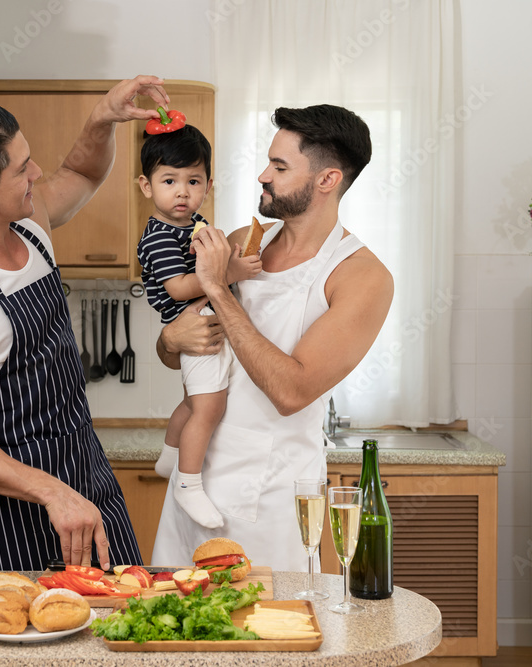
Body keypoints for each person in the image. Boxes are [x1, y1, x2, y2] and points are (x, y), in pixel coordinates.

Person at [0, 76, 171, 572]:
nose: (38, 173)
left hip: (89, 483)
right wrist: (51, 492)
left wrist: (102, 117)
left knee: (123, 625)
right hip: (15, 514)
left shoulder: (29, 222)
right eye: (23, 168)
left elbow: (83, 172)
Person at [151, 104, 394, 572]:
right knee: (171, 626)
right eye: (268, 162)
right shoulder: (246, 240)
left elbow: (291, 391)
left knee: (262, 634)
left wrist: (219, 290)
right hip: (193, 479)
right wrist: (170, 338)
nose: (263, 176)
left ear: (327, 180)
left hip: (270, 497)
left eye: (280, 167)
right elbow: (178, 352)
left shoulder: (361, 276)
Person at [135, 125, 262, 530]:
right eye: (169, 181)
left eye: (193, 181)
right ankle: (188, 484)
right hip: (192, 321)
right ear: (146, 185)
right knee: (210, 407)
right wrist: (230, 272)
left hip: (206, 316)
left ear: (208, 184)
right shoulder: (158, 237)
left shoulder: (196, 223)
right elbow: (178, 287)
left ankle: (170, 459)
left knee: (192, 403)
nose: (182, 192)